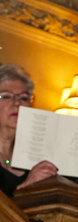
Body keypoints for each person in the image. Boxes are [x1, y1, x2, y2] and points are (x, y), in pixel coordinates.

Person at [0, 65, 57, 196]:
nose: (17, 103)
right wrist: (26, 186)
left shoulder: (36, 153)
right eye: (6, 96)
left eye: (23, 98)